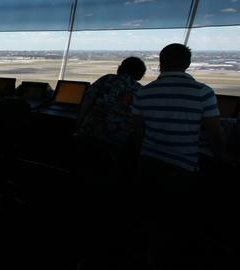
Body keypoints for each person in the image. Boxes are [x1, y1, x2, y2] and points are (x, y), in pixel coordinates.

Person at [132, 44, 227, 193]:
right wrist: (223, 160)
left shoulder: (143, 92)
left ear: (160, 62)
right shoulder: (203, 92)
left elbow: (137, 131)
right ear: (187, 64)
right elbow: (214, 133)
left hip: (148, 162)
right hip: (183, 166)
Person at [74, 57, 146, 186]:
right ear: (140, 74)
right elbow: (138, 120)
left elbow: (87, 102)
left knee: (82, 168)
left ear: (120, 68)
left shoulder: (107, 79)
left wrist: (78, 125)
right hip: (116, 141)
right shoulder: (140, 90)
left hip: (90, 133)